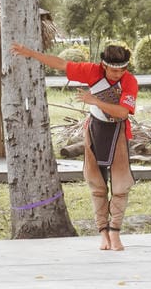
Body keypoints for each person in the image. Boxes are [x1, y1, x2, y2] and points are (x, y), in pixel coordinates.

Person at [11, 41, 138, 251]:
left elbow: (123, 113)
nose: (117, 74)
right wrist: (29, 53)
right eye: (113, 70)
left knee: (121, 186)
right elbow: (60, 64)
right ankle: (103, 233)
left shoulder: (130, 81)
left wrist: (95, 101)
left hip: (118, 132)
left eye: (121, 70)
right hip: (95, 131)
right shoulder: (91, 71)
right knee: (97, 185)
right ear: (104, 66)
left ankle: (115, 231)